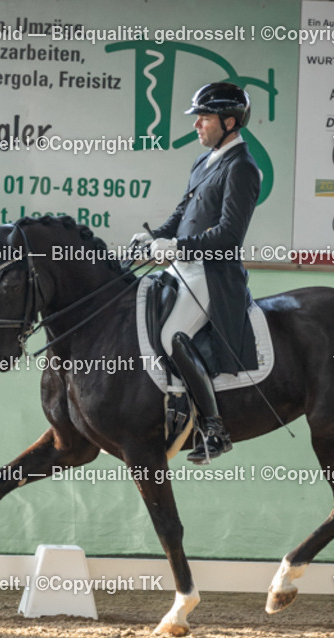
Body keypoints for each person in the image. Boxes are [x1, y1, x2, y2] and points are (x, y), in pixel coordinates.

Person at [132, 82, 261, 465]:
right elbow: (182, 214)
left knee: (172, 336)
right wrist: (155, 236)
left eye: (204, 118)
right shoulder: (204, 162)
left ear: (230, 122)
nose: (196, 125)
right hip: (183, 267)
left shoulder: (242, 168)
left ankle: (215, 428)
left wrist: (177, 247)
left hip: (212, 274)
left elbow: (229, 235)